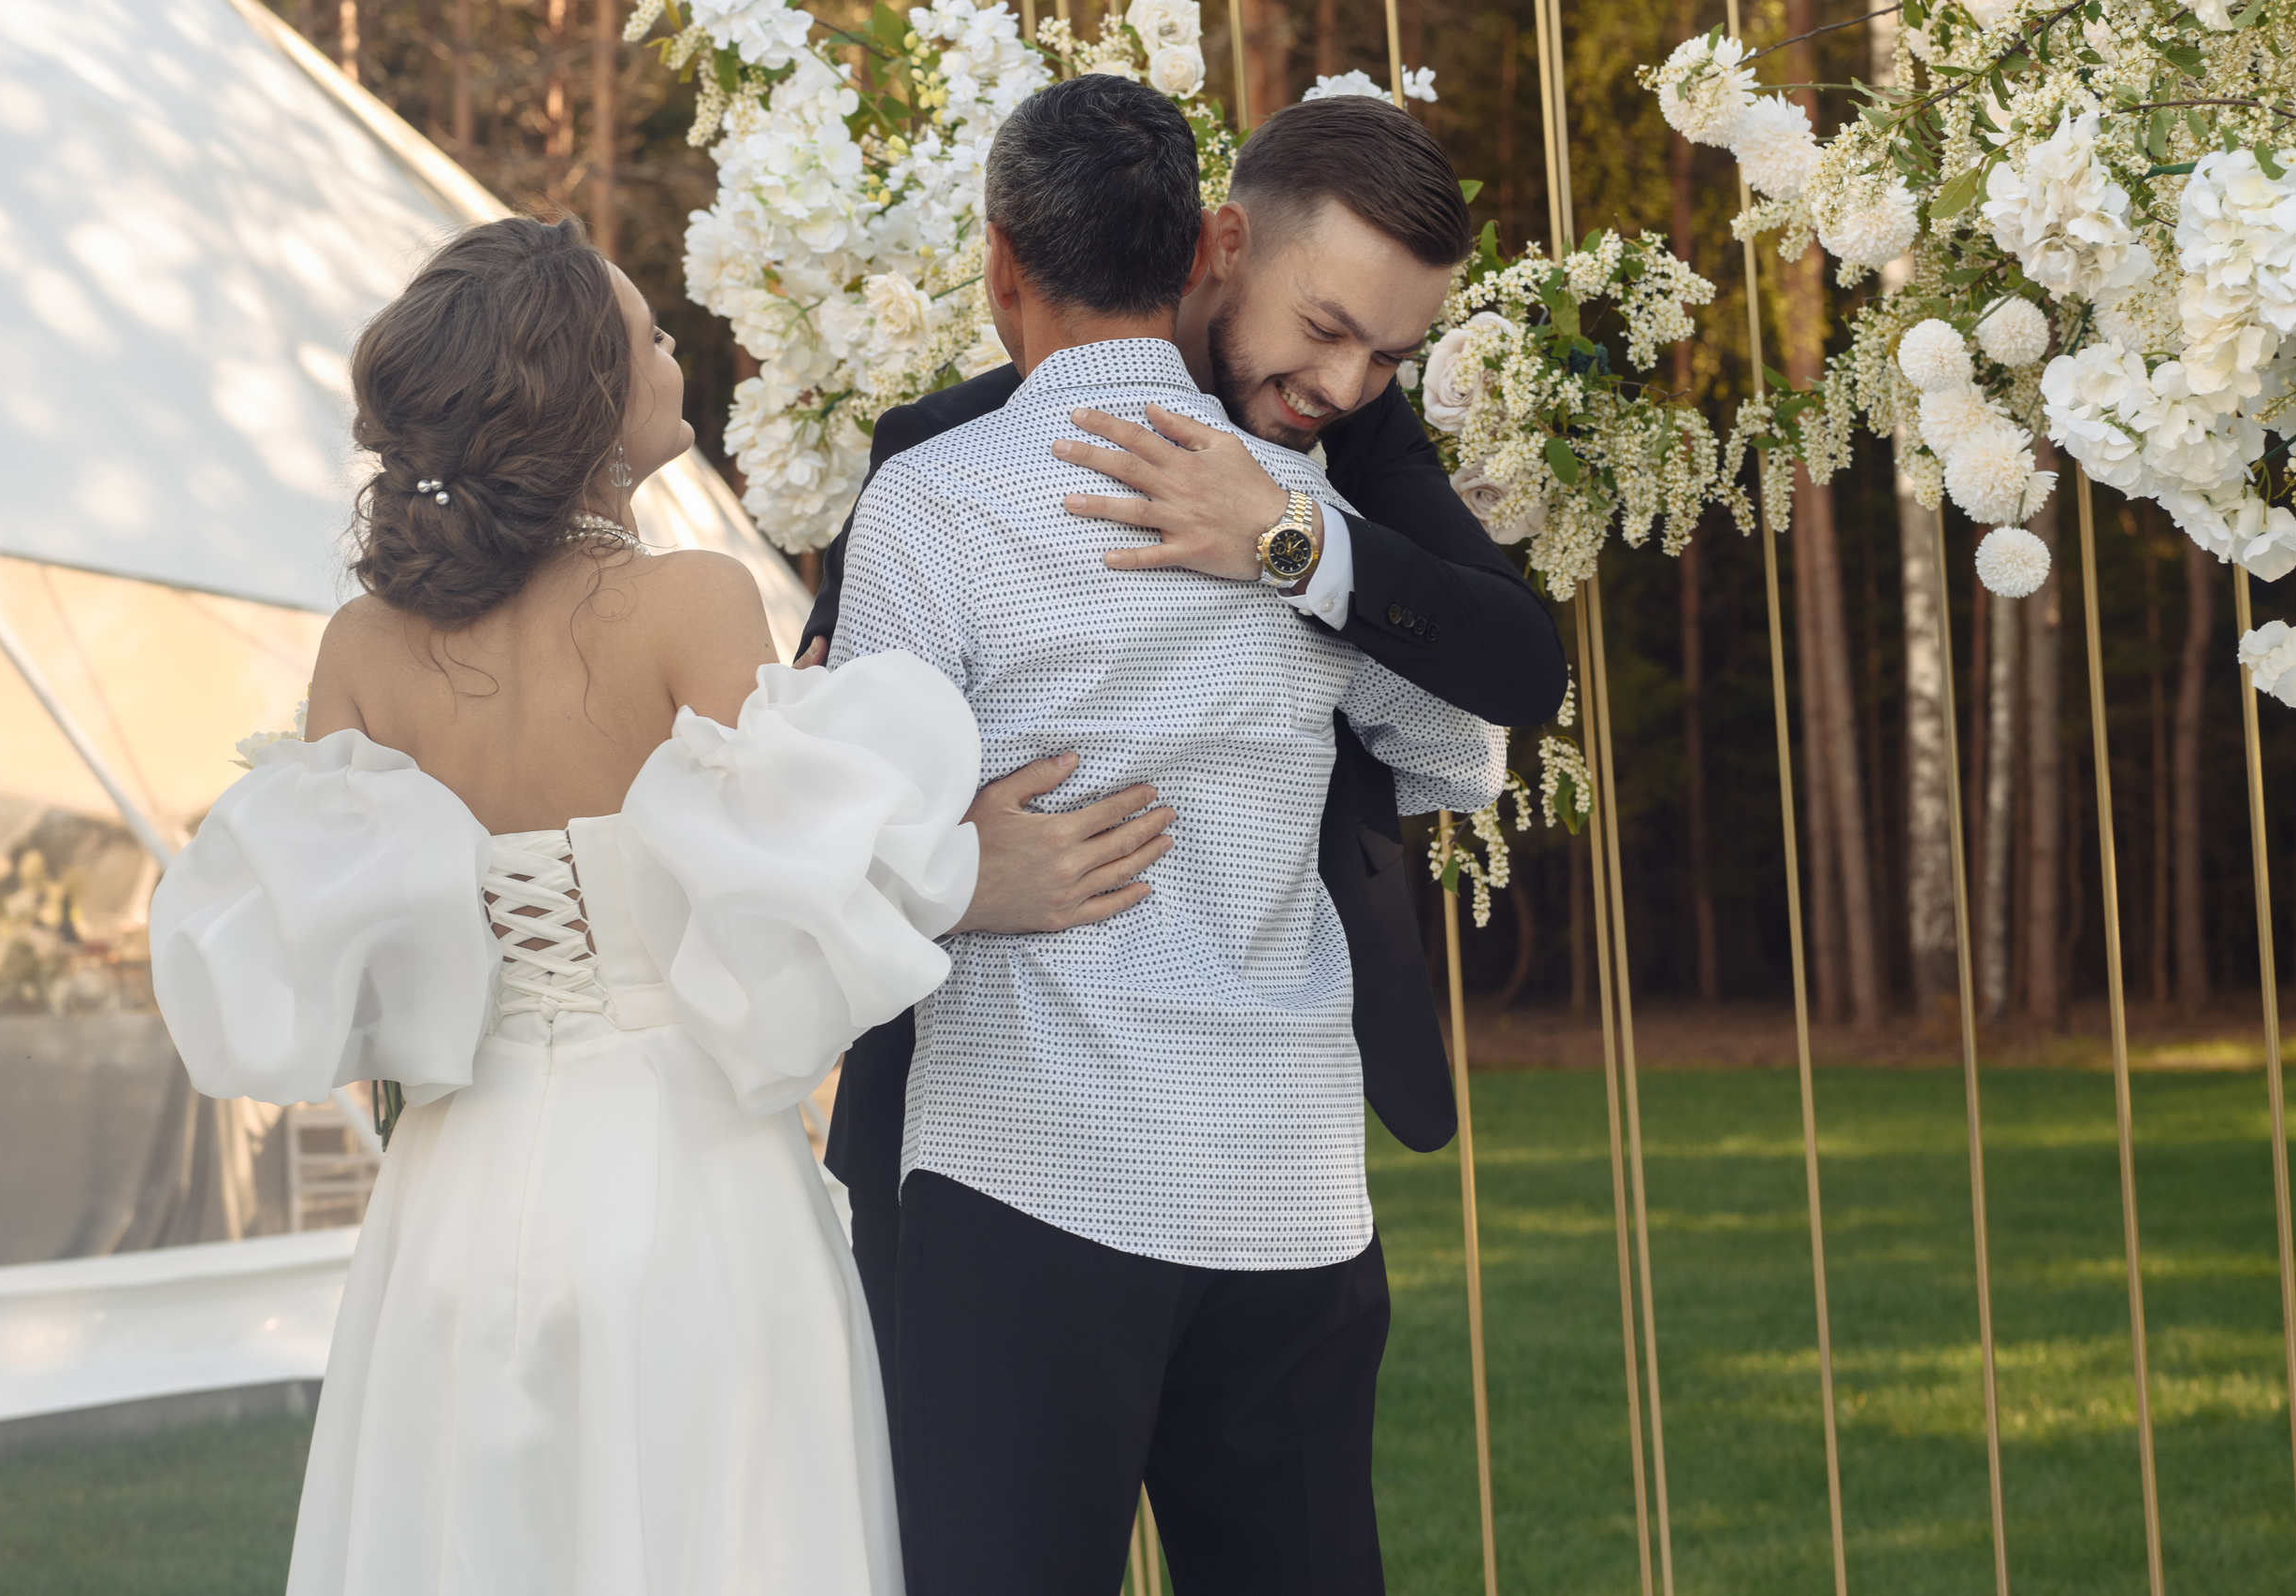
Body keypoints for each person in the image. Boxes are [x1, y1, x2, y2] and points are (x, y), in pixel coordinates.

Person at [146, 216, 1120, 1596]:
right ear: (585, 403)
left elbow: (347, 966)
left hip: (453, 1201)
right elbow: (791, 911)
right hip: (687, 1186)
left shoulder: (364, 646)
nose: (673, 348)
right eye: (649, 334)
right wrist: (962, 872)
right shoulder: (690, 604)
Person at [828, 76, 1509, 1592]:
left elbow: (850, 843)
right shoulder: (1299, 514)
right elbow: (1456, 749)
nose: (1348, 381)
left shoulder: (935, 502)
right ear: (1206, 248)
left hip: (1026, 1171)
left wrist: (956, 865)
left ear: (1003, 262)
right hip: (1285, 1185)